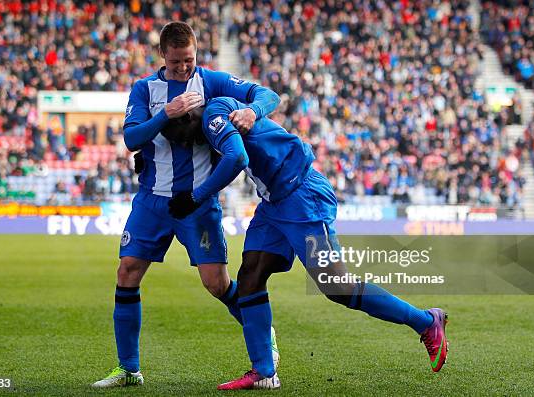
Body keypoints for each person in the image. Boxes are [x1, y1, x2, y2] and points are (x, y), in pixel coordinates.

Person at [166, 97, 449, 390]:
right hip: (274, 202)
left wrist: (197, 196)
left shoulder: (213, 113)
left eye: (185, 139)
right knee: (250, 275)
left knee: (336, 286)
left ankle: (426, 321)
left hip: (302, 195)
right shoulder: (213, 119)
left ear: (188, 118)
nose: (189, 144)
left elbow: (239, 155)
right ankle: (263, 370)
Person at [92, 22, 281, 388]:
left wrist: (253, 110)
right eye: (177, 61)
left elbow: (268, 93)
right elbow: (131, 138)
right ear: (163, 55)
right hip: (152, 200)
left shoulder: (211, 81)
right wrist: (166, 113)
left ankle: (262, 331)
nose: (183, 68)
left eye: (189, 60)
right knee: (127, 271)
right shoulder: (145, 89)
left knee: (216, 283)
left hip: (197, 202)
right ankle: (129, 369)